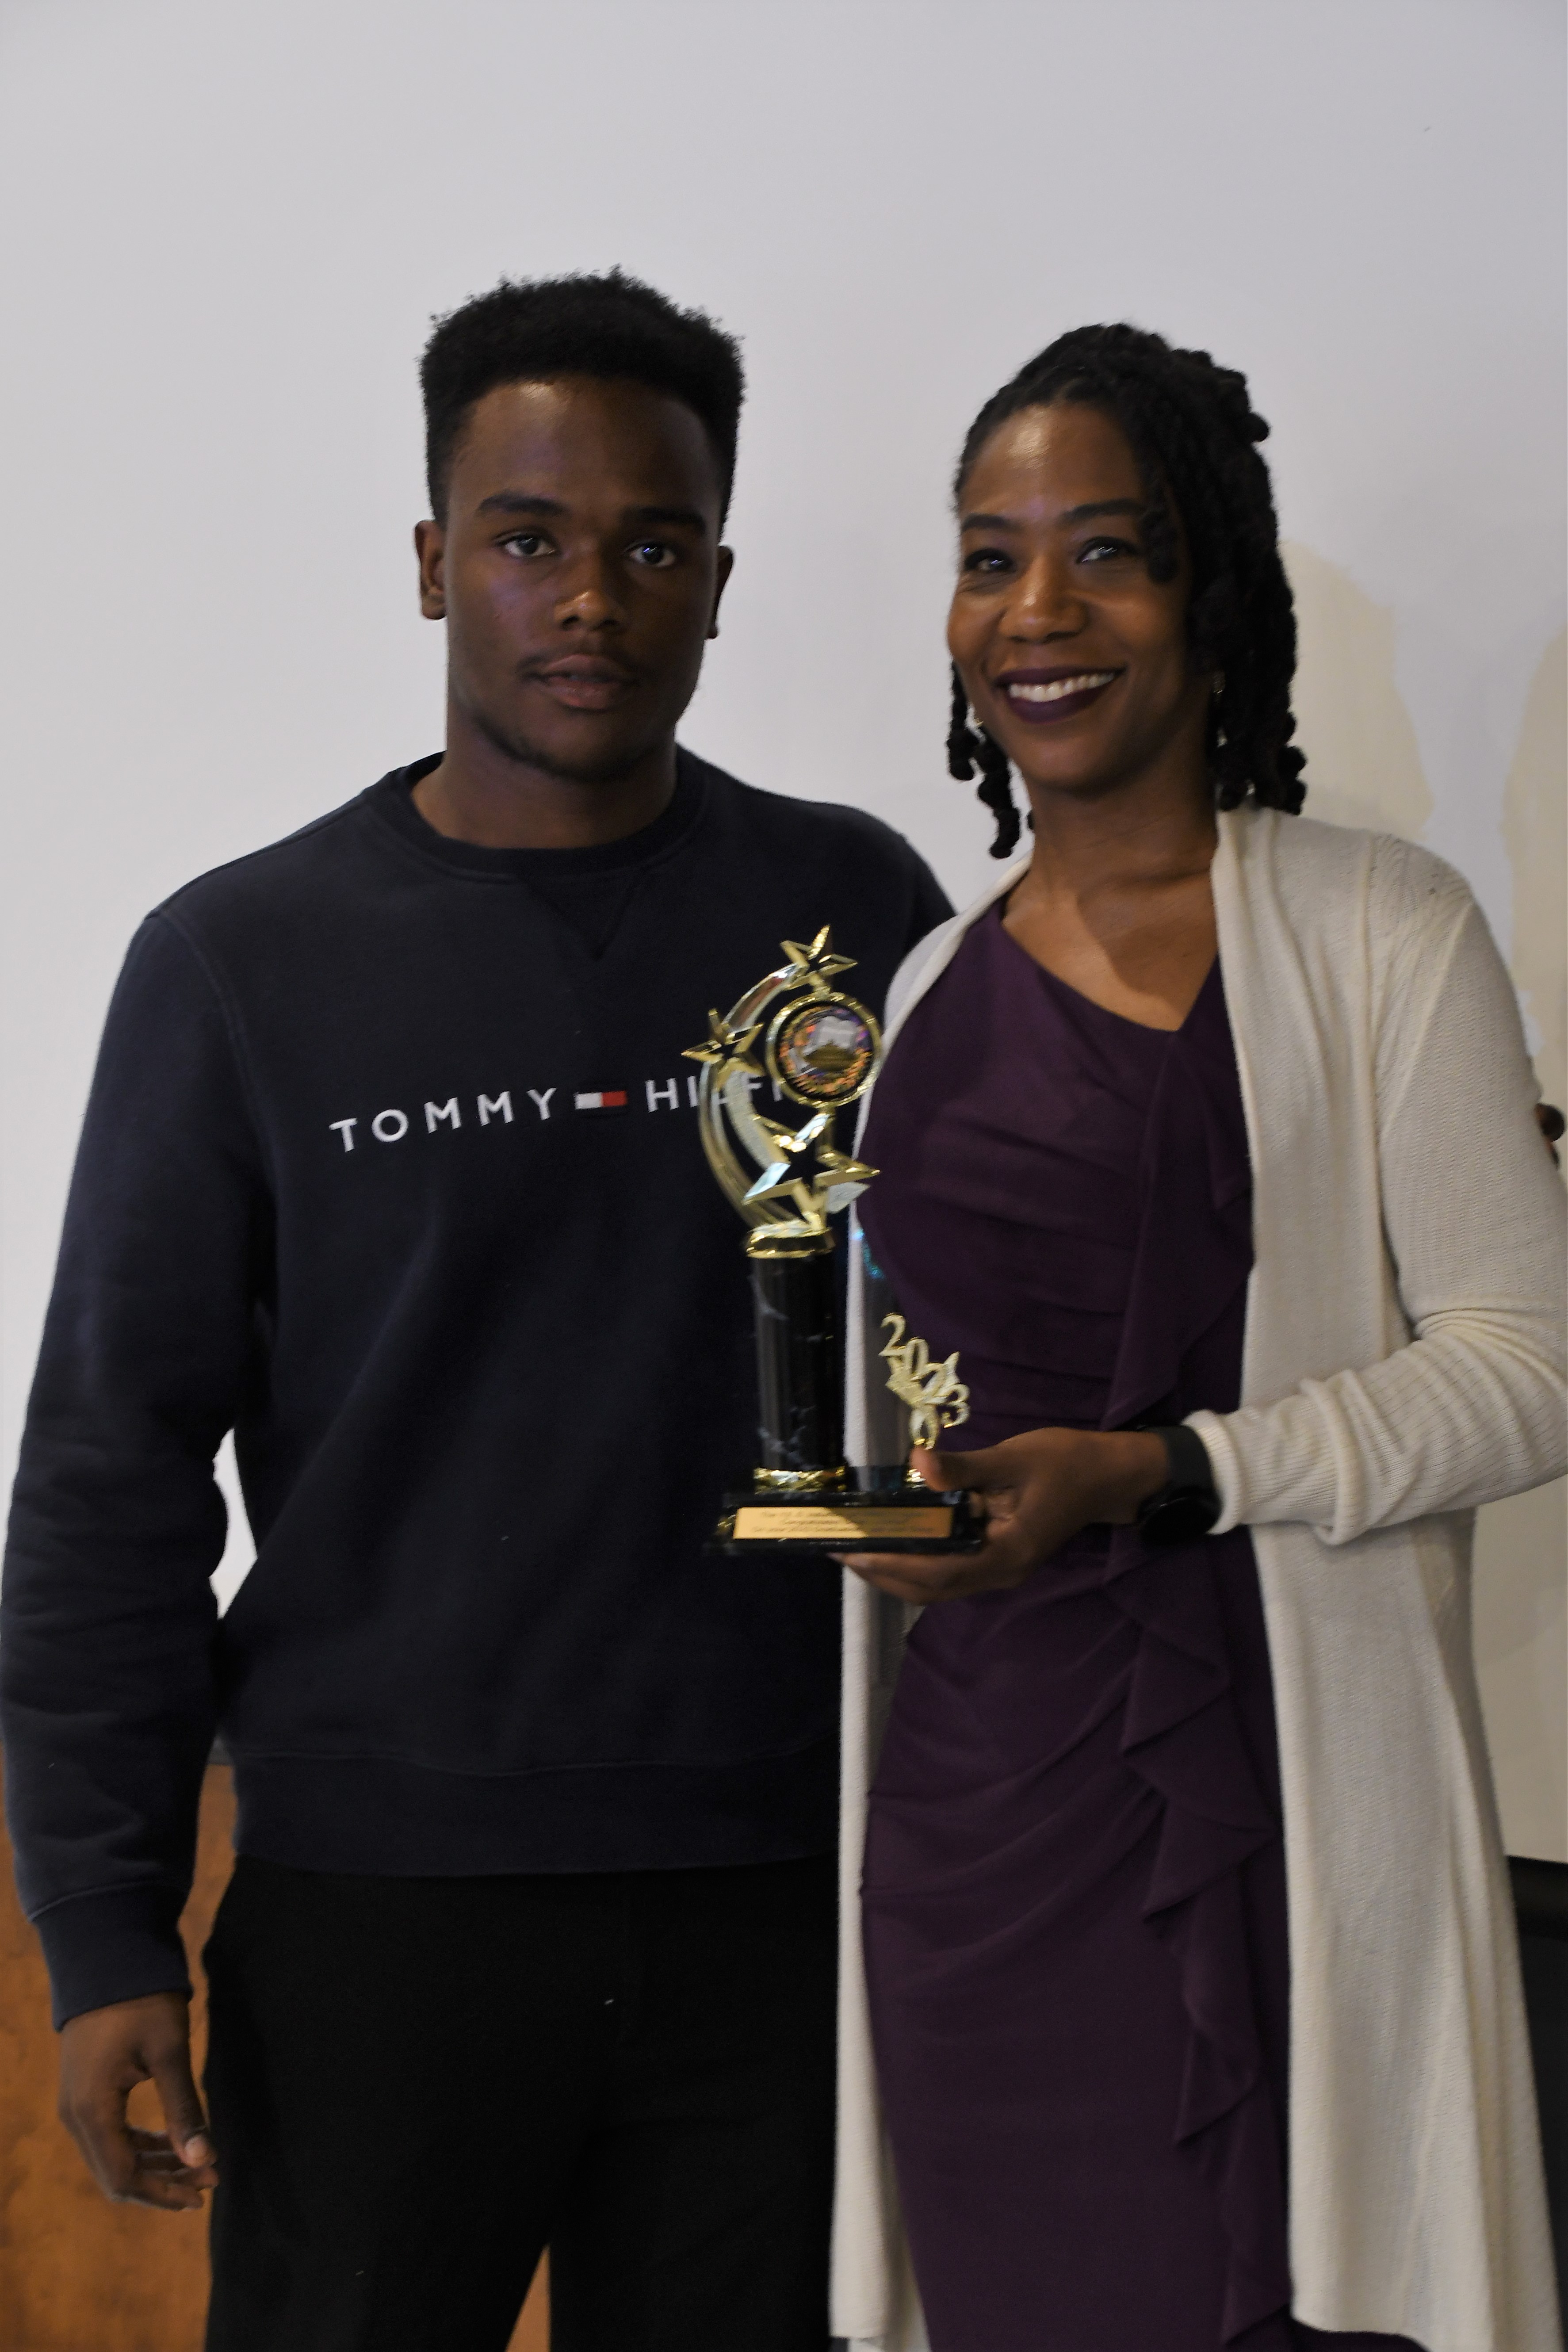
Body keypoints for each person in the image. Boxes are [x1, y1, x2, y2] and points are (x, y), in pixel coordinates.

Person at [0, 269, 949, 2352]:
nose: (587, 596)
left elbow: (982, 1334)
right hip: (375, 1918)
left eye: (650, 543)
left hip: (779, 1901)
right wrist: (100, 1928)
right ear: (434, 560)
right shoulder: (240, 961)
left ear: (718, 572)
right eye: (526, 538)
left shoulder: (856, 919)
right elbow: (108, 1473)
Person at [826, 326, 1565, 2352]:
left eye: (1106, 552)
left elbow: (1531, 1360)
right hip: (976, 1824)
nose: (1036, 612)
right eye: (989, 556)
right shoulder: (917, 990)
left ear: (1210, 597)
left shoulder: (1374, 929)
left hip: (1274, 1796)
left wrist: (1173, 1471)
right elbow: (915, 1395)